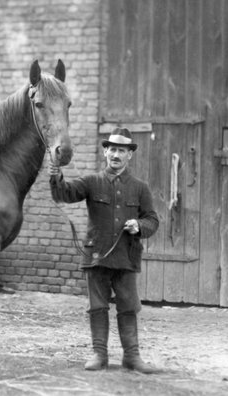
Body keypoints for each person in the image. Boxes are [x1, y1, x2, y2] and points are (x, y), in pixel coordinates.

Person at [49, 127, 160, 374]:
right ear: (105, 152)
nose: (116, 155)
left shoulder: (140, 188)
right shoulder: (91, 182)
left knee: (128, 307)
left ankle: (132, 357)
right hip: (96, 256)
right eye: (112, 149)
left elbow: (153, 220)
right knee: (97, 307)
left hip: (126, 257)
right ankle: (99, 355)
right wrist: (56, 173)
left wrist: (139, 226)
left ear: (130, 155)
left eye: (122, 150)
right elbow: (63, 193)